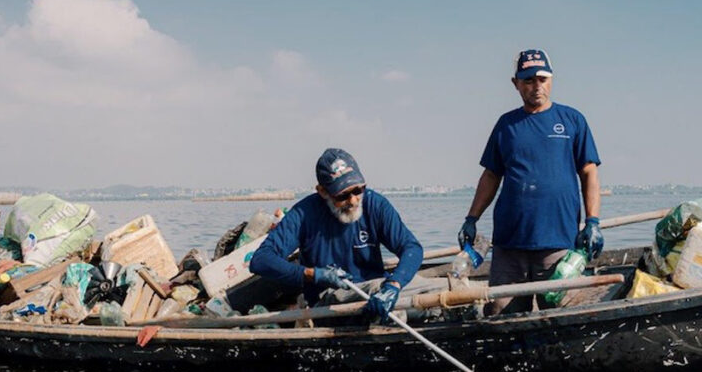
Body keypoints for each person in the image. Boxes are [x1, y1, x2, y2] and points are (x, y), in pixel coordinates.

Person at [458, 49, 603, 314]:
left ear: (551, 80)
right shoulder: (506, 125)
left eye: (542, 79)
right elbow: (491, 175)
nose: (536, 87)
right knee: (501, 315)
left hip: (557, 241)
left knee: (558, 313)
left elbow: (589, 172)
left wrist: (592, 222)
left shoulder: (572, 121)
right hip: (510, 244)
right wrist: (471, 218)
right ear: (515, 84)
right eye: (528, 80)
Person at [250, 148, 424, 324]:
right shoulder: (303, 214)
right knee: (383, 298)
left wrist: (394, 285)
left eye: (357, 190)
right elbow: (261, 260)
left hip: (376, 287)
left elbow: (411, 248)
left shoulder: (375, 204)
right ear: (323, 191)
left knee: (434, 287)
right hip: (330, 301)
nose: (353, 201)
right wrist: (314, 274)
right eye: (343, 195)